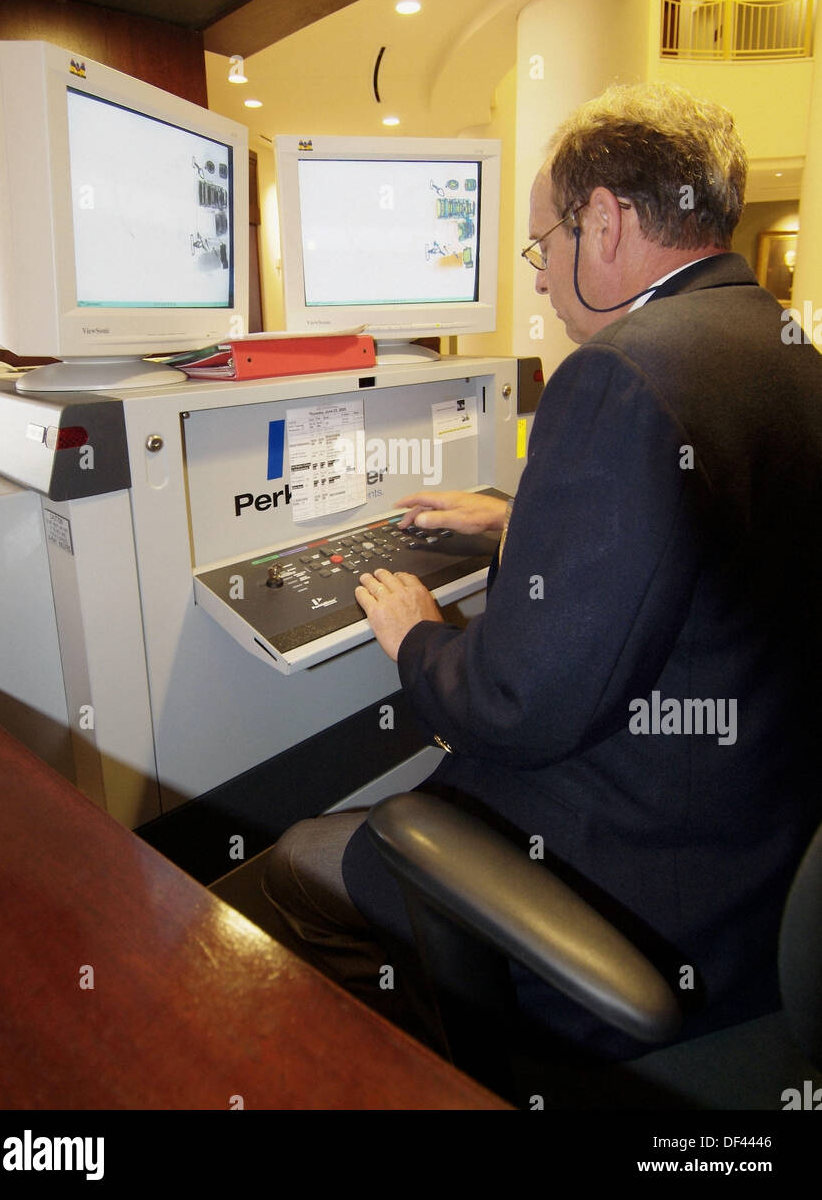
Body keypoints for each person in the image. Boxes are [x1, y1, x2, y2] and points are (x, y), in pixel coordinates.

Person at [261, 83, 822, 1060]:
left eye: (539, 246)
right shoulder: (783, 348)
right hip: (757, 866)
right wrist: (523, 517)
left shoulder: (617, 372)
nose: (537, 280)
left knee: (292, 865)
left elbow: (512, 704)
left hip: (630, 891)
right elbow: (715, 548)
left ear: (600, 221)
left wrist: (417, 633)